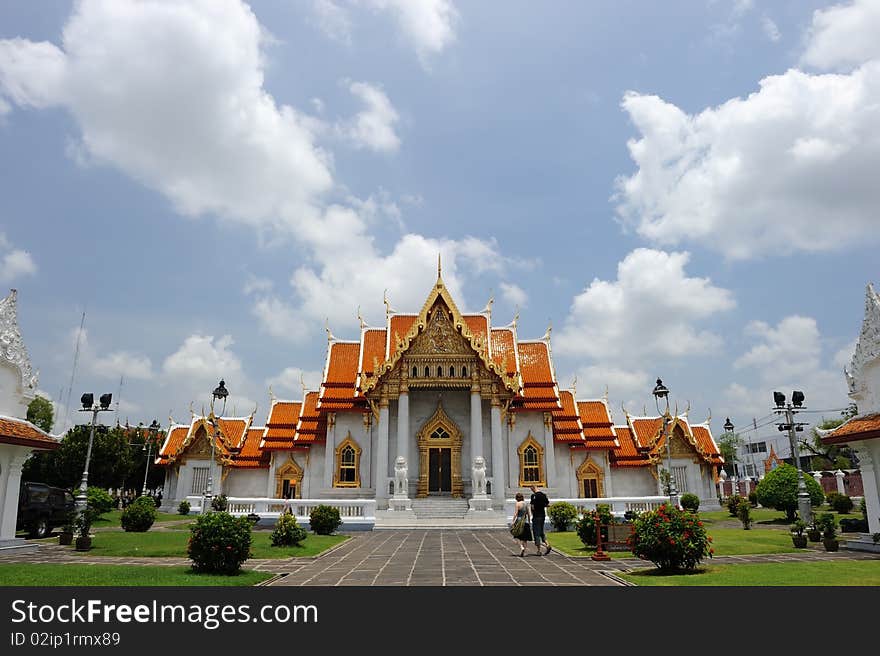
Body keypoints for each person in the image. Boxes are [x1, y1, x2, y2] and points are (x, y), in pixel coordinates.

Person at [529, 484, 552, 555]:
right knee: (541, 531)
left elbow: (532, 507)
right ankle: (547, 544)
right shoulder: (543, 495)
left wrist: (532, 513)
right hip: (542, 515)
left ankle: (539, 550)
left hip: (536, 516)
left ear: (533, 488)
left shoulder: (533, 496)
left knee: (536, 533)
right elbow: (547, 504)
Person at [511, 492, 532, 557]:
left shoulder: (517, 504)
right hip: (525, 522)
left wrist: (513, 521)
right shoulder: (526, 504)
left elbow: (516, 513)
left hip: (519, 521)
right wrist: (529, 522)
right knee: (525, 538)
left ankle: (521, 547)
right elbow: (529, 514)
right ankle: (524, 551)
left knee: (516, 535)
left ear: (517, 498)